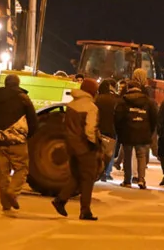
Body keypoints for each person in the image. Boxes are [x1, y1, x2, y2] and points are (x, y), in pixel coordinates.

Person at [0, 73, 39, 211]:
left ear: (5, 84)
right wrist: (27, 135)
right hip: (17, 140)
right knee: (21, 169)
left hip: (0, 140)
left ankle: (5, 204)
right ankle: (12, 192)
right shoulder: (23, 99)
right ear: (18, 84)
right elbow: (33, 121)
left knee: (3, 173)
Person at [53, 78, 100, 221]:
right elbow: (90, 130)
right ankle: (85, 211)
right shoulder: (91, 107)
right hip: (84, 147)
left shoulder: (72, 104)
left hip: (70, 146)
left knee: (76, 176)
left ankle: (60, 200)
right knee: (87, 178)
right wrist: (94, 144)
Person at [116, 79, 157, 189]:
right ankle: (141, 179)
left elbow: (118, 118)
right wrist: (150, 130)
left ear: (128, 89)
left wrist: (119, 131)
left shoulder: (123, 101)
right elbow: (154, 118)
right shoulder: (148, 101)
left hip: (127, 131)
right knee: (141, 155)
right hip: (143, 132)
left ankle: (127, 180)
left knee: (127, 156)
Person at [95, 79, 121, 182]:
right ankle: (106, 172)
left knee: (98, 151)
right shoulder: (114, 99)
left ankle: (97, 171)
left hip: (99, 128)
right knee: (109, 152)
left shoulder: (97, 99)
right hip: (111, 129)